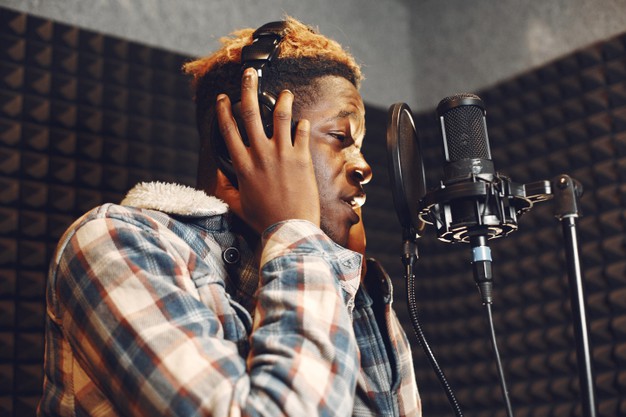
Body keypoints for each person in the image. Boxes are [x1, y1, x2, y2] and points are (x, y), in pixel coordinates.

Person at [39, 17, 421, 417]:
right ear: (241, 135)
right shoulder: (114, 245)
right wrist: (300, 234)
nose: (364, 167)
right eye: (341, 138)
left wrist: (338, 274)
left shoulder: (348, 285)